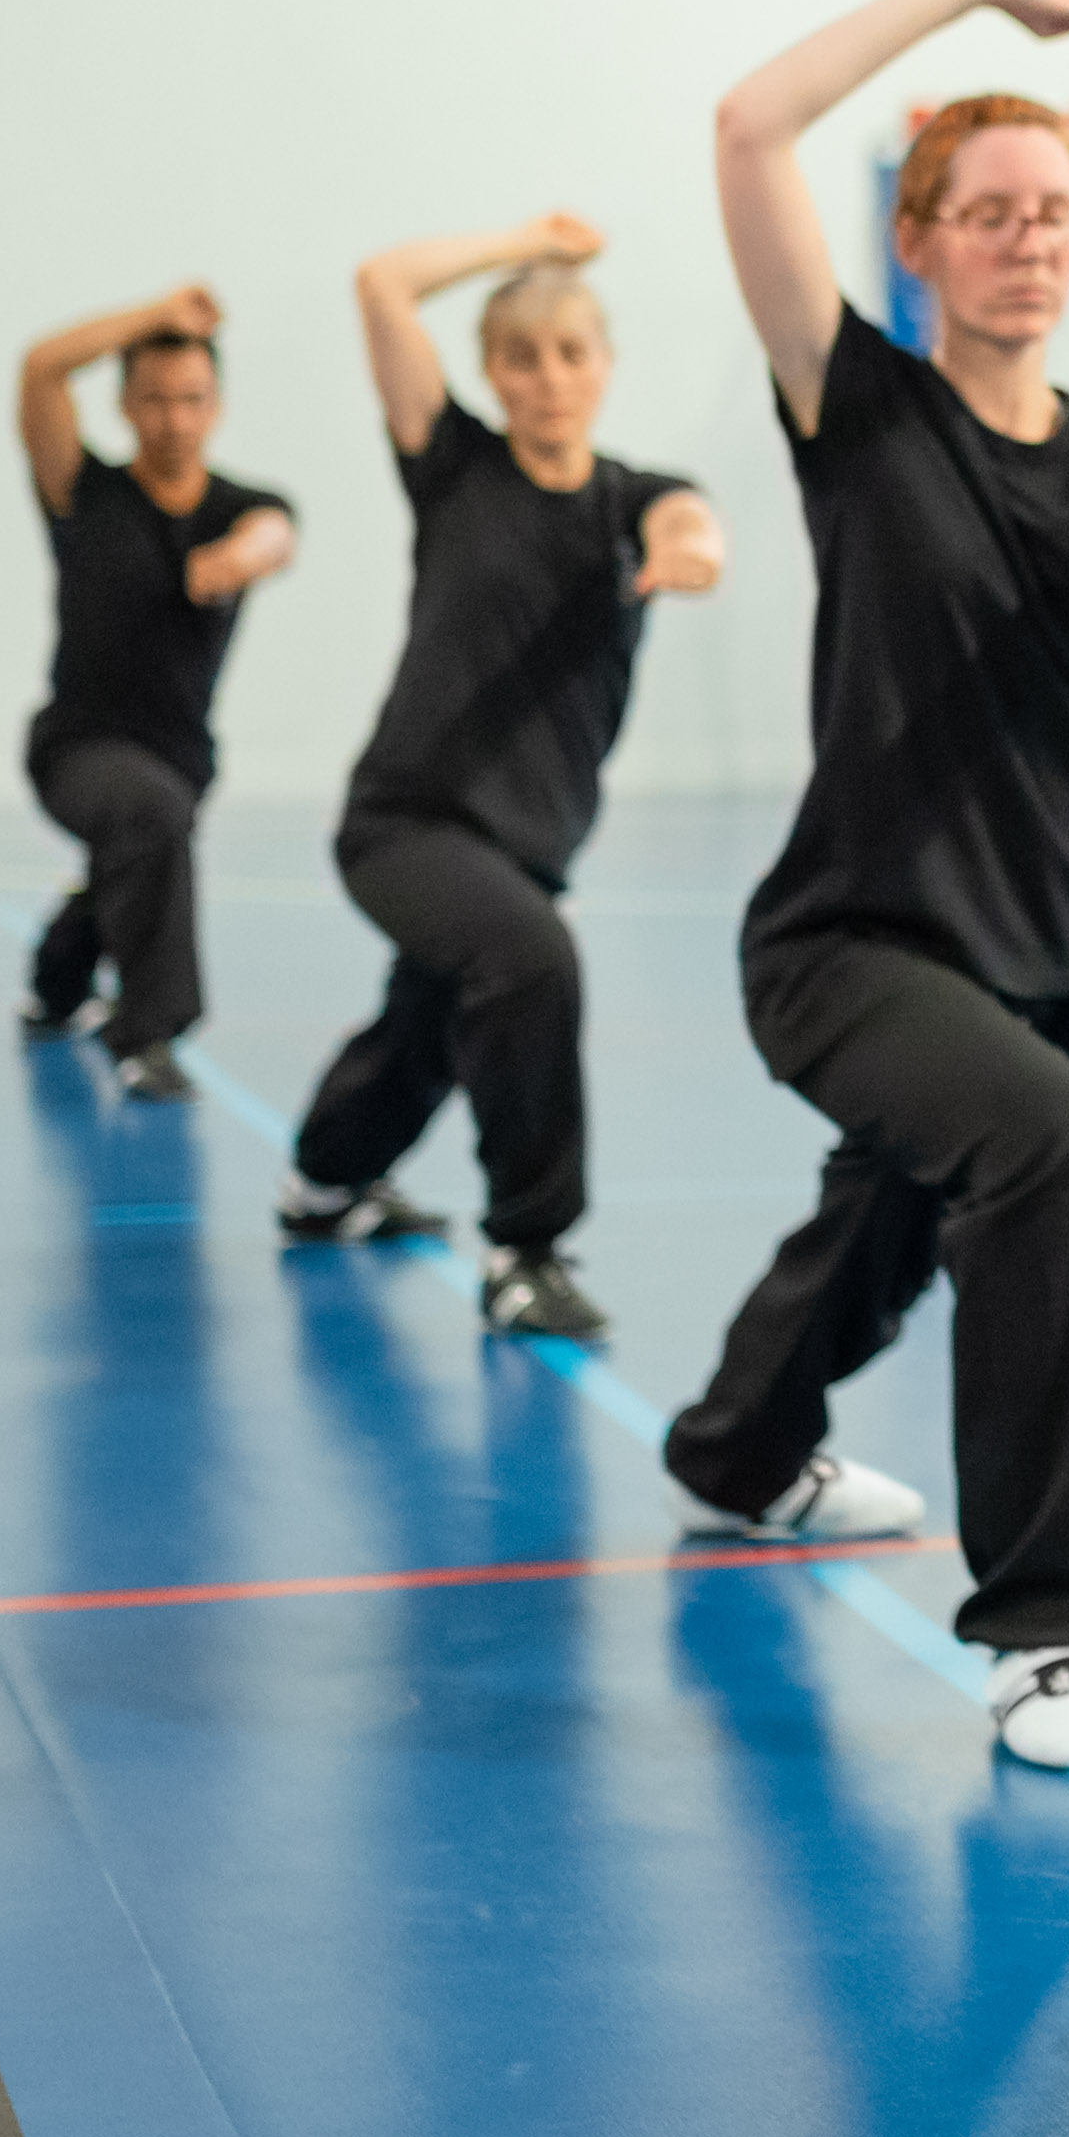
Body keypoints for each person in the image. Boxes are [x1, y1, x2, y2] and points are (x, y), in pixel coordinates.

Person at [661, 0, 1069, 1774]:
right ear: (916, 240)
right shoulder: (859, 410)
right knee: (1042, 1150)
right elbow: (749, 126)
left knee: (894, 1213)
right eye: (986, 214)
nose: (1025, 241)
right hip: (846, 945)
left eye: (1052, 214)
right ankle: (1047, 1635)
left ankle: (738, 1449)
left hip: (1031, 957)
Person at [274, 213, 728, 1339]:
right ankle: (527, 1249)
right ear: (490, 371)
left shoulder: (634, 500)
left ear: (606, 364)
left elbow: (688, 518)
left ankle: (324, 1181)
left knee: (431, 1018)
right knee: (529, 962)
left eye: (571, 353)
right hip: (404, 822)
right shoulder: (455, 468)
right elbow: (382, 283)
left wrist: (690, 550)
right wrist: (526, 242)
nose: (550, 379)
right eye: (522, 358)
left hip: (525, 846)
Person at [15, 284, 298, 1103]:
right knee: (149, 821)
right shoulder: (84, 492)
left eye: (192, 400)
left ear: (217, 406)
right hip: (77, 748)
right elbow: (40, 369)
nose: (175, 420)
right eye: (155, 400)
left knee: (140, 851)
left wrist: (238, 560)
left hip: (179, 759)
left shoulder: (245, 508)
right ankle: (148, 1035)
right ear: (126, 405)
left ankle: (56, 984)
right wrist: (152, 317)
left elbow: (275, 536)